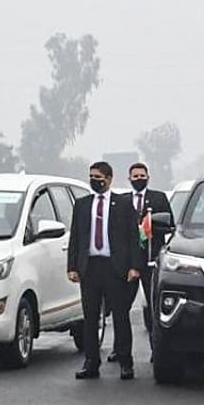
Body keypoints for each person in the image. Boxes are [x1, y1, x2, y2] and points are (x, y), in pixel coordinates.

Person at [67, 161, 143, 381]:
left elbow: (133, 238)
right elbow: (76, 237)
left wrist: (134, 266)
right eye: (91, 176)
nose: (94, 180)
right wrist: (72, 266)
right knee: (90, 319)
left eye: (98, 177)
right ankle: (91, 363)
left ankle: (126, 362)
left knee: (120, 317)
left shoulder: (123, 204)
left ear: (109, 179)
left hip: (115, 268)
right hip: (90, 267)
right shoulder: (82, 205)